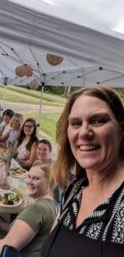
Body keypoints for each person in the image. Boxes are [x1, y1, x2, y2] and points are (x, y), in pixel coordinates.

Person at [41, 85, 124, 257]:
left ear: (121, 129)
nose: (84, 132)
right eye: (76, 123)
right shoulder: (74, 190)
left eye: (98, 120)